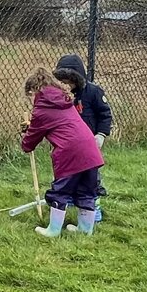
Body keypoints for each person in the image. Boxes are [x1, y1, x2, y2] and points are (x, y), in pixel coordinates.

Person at [22, 69, 105, 237]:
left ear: (35, 90)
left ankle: (53, 230)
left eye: (30, 95)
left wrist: (25, 142)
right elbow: (56, 122)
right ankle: (85, 230)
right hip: (90, 150)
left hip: (70, 152)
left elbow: (32, 137)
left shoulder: (42, 107)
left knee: (61, 191)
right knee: (86, 190)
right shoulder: (63, 100)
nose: (31, 100)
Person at [54, 52, 113, 215]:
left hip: (89, 144)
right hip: (70, 145)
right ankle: (73, 199)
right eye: (63, 81)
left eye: (69, 80)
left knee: (91, 178)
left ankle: (94, 209)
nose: (67, 84)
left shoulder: (93, 92)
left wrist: (101, 134)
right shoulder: (63, 96)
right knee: (69, 173)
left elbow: (105, 114)